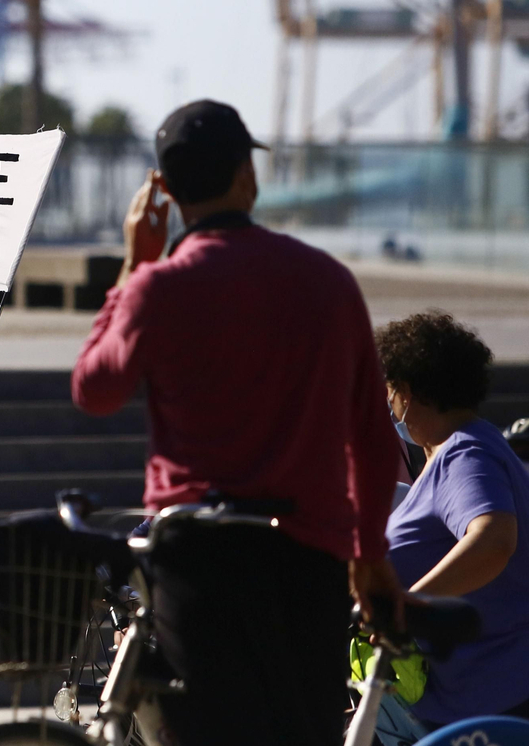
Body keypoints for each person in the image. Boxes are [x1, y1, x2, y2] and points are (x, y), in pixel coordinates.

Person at [72, 99, 404, 746]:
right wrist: (367, 557)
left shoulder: (157, 288)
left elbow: (95, 389)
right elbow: (371, 435)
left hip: (199, 565)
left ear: (164, 190)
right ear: (248, 177)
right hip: (307, 562)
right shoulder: (329, 282)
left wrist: (134, 263)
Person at [378, 311, 529, 728]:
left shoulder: (466, 454)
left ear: (407, 393)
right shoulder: (466, 448)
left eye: (390, 393)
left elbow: (494, 539)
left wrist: (404, 609)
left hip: (496, 702)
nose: (389, 406)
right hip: (466, 699)